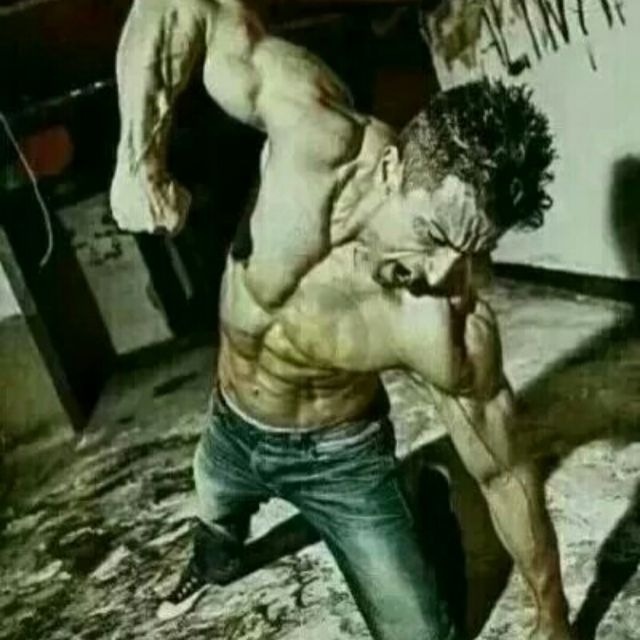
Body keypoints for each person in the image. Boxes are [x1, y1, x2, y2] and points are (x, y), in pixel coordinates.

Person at [110, 1, 573, 638]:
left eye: (471, 252)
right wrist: (139, 159)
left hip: (338, 458)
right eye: (434, 235)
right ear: (391, 168)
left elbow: (504, 475)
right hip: (228, 422)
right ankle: (213, 553)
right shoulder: (312, 128)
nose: (442, 271)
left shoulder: (445, 325)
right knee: (215, 525)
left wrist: (554, 618)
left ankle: (417, 500)